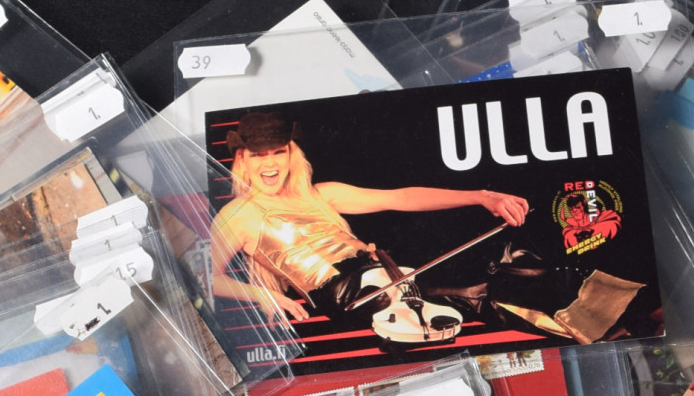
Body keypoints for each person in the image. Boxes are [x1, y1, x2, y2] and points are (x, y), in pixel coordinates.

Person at [208, 112, 530, 344]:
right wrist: (263, 295)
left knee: (508, 261)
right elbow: (207, 278)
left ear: (291, 154)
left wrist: (480, 196)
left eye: (279, 152)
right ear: (243, 160)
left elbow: (400, 198)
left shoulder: (320, 195)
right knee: (477, 290)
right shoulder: (239, 213)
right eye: (258, 155)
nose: (269, 163)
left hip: (384, 276)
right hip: (347, 293)